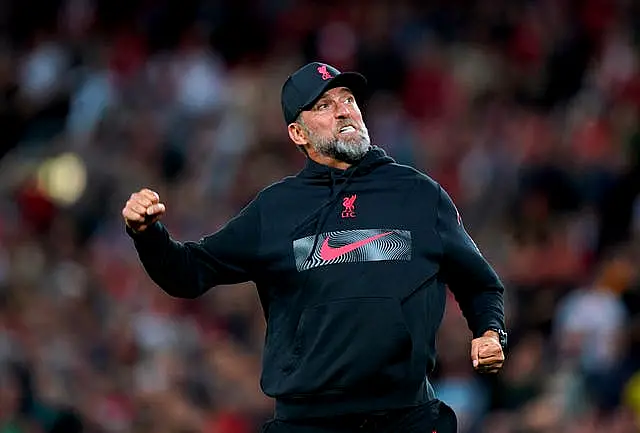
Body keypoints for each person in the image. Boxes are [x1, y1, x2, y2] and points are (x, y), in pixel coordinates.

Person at [122, 62, 507, 432]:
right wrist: (148, 234)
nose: (343, 112)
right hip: (308, 422)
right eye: (324, 105)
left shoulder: (419, 194)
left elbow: (479, 282)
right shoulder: (274, 210)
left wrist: (489, 331)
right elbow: (188, 273)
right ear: (298, 134)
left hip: (406, 417)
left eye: (348, 100)